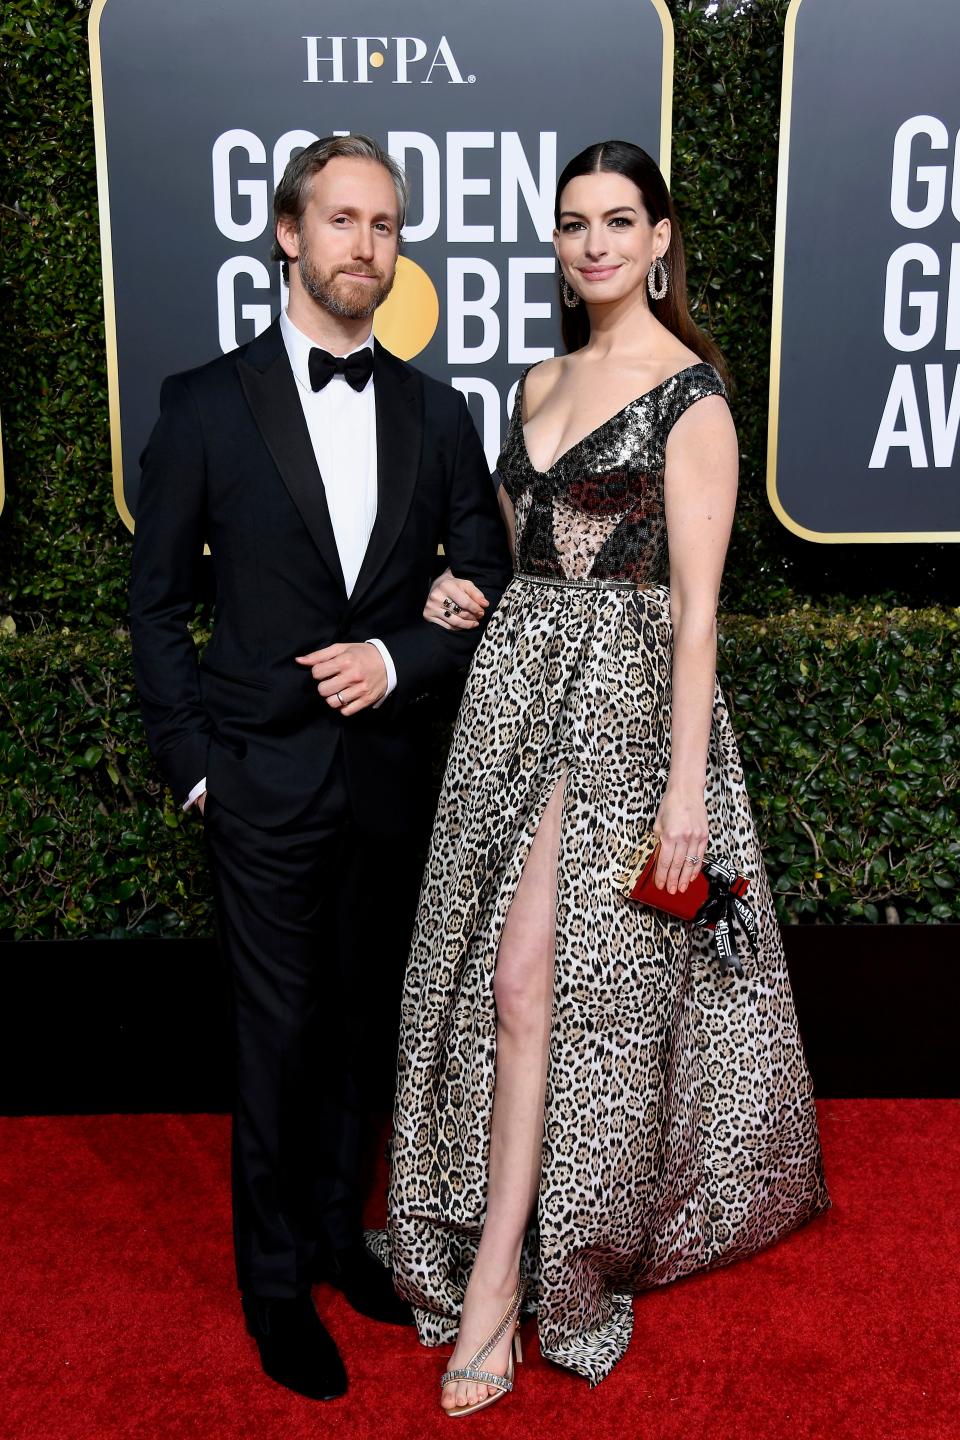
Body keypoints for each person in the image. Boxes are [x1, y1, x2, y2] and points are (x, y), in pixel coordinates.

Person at [385, 140, 830, 1413]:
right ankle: (497, 1250)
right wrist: (461, 587)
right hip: (512, 703)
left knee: (538, 986)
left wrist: (685, 792)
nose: (594, 245)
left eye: (618, 221)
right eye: (575, 223)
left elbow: (694, 615)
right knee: (492, 984)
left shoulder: (695, 398)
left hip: (629, 717)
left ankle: (498, 1295)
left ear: (660, 238)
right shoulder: (535, 380)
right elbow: (525, 556)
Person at [130, 134, 511, 1402]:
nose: (365, 243)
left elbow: (488, 575)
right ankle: (276, 1284)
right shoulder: (202, 403)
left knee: (364, 1033)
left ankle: (347, 1238)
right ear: (289, 235)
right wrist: (197, 770)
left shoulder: (435, 409)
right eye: (342, 219)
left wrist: (398, 660)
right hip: (260, 783)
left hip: (393, 777)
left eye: (386, 224)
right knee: (278, 1037)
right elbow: (154, 607)